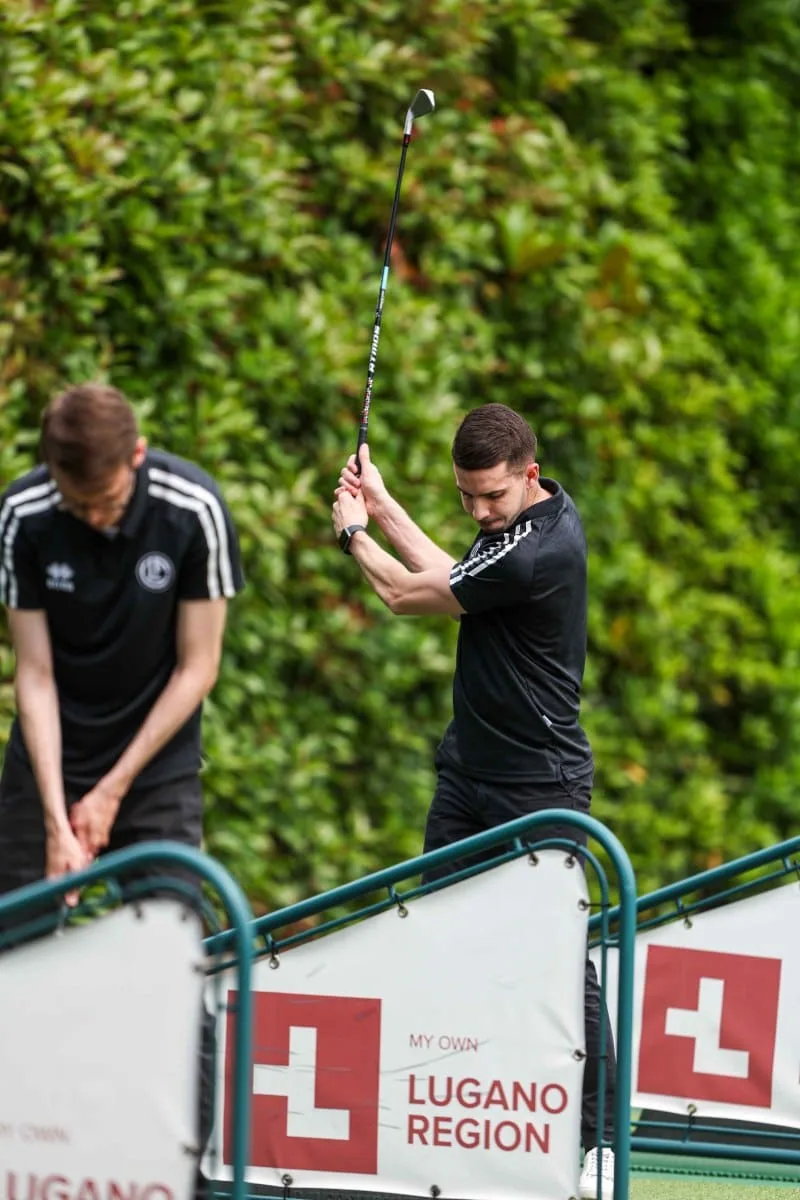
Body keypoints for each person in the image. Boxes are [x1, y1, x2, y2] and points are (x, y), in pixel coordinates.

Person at [332, 402, 615, 1200]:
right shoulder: (516, 528)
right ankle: (445, 1122)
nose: (479, 513)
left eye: (490, 498)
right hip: (468, 776)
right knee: (440, 938)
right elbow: (452, 578)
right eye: (466, 499)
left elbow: (403, 595)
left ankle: (596, 1143)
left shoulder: (542, 550)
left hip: (541, 785)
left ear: (527, 474)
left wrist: (354, 531)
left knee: (559, 963)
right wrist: (384, 503)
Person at [0, 381, 245, 1196]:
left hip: (156, 763)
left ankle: (191, 1170)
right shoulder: (25, 515)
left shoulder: (192, 509)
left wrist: (108, 794)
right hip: (48, 754)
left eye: (105, 501)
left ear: (136, 460)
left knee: (178, 949)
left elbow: (198, 666)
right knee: (19, 947)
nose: (96, 517)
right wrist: (54, 816)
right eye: (79, 503)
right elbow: (32, 675)